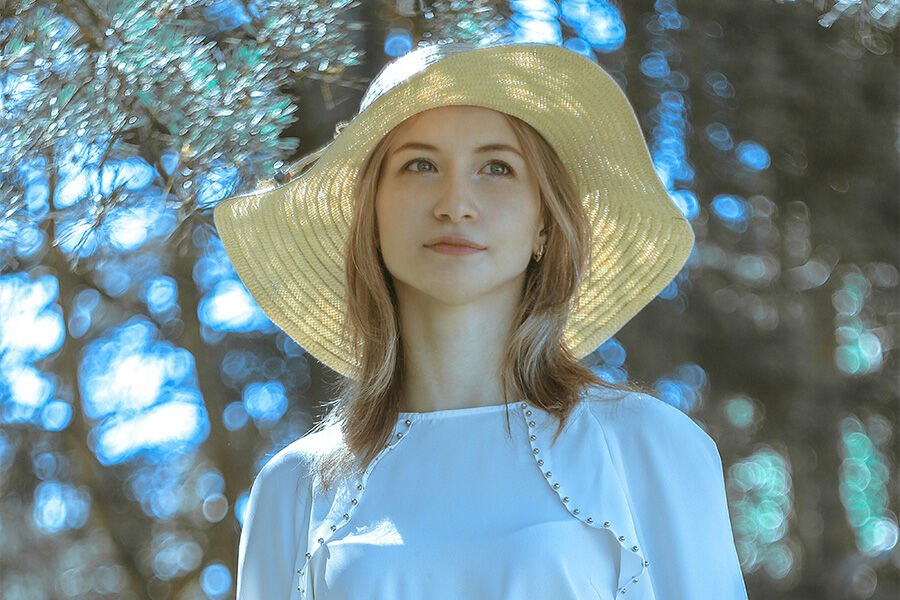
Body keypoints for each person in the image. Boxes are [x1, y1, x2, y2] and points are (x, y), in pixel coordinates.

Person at [214, 41, 750, 599]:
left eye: (496, 167)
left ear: (544, 224)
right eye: (420, 165)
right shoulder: (294, 488)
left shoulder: (649, 446)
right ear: (370, 216)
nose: (456, 203)